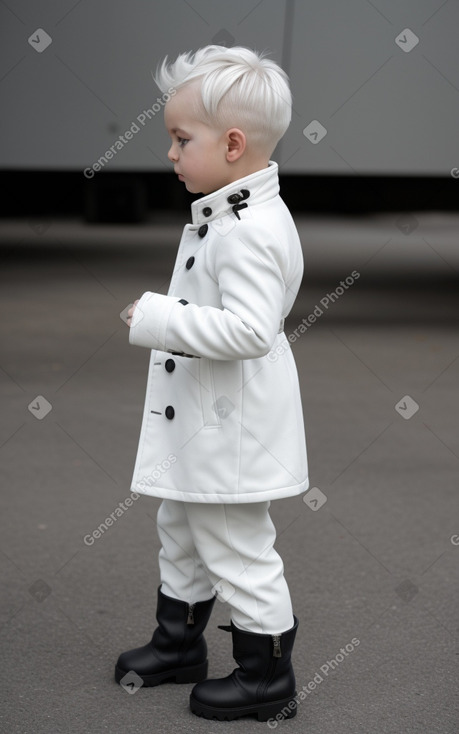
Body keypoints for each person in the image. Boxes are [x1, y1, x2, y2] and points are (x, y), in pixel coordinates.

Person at [116, 45, 309, 722]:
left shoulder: (247, 231)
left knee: (235, 543)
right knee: (182, 525)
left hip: (230, 429)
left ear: (232, 144)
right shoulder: (226, 214)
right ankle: (178, 646)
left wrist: (162, 318)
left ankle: (266, 678)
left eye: (179, 139)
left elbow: (251, 331)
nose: (170, 153)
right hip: (204, 421)